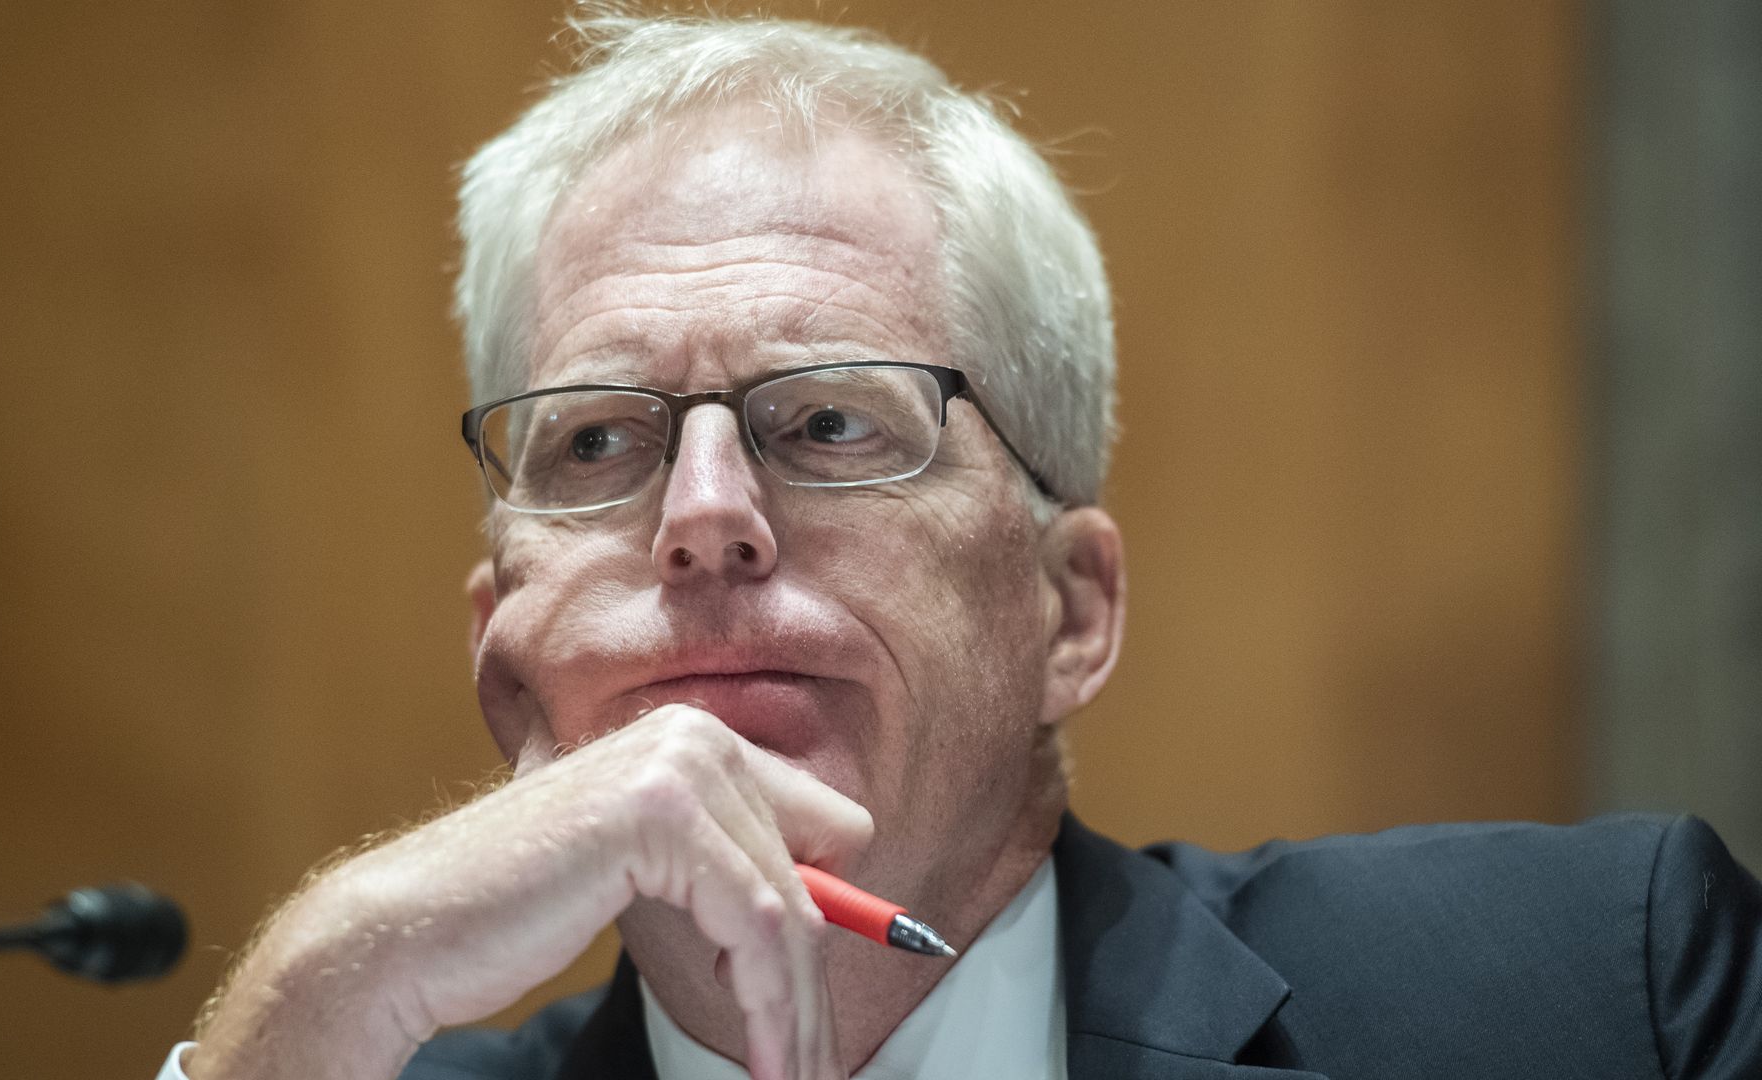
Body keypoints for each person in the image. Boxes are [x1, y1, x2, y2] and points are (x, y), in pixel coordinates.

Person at [162, 7, 1762, 1080]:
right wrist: (314, 985)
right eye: (598, 443)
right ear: (504, 660)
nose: (703, 515)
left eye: (827, 422)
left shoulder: (1588, 993)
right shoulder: (327, 1064)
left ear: (1071, 612)